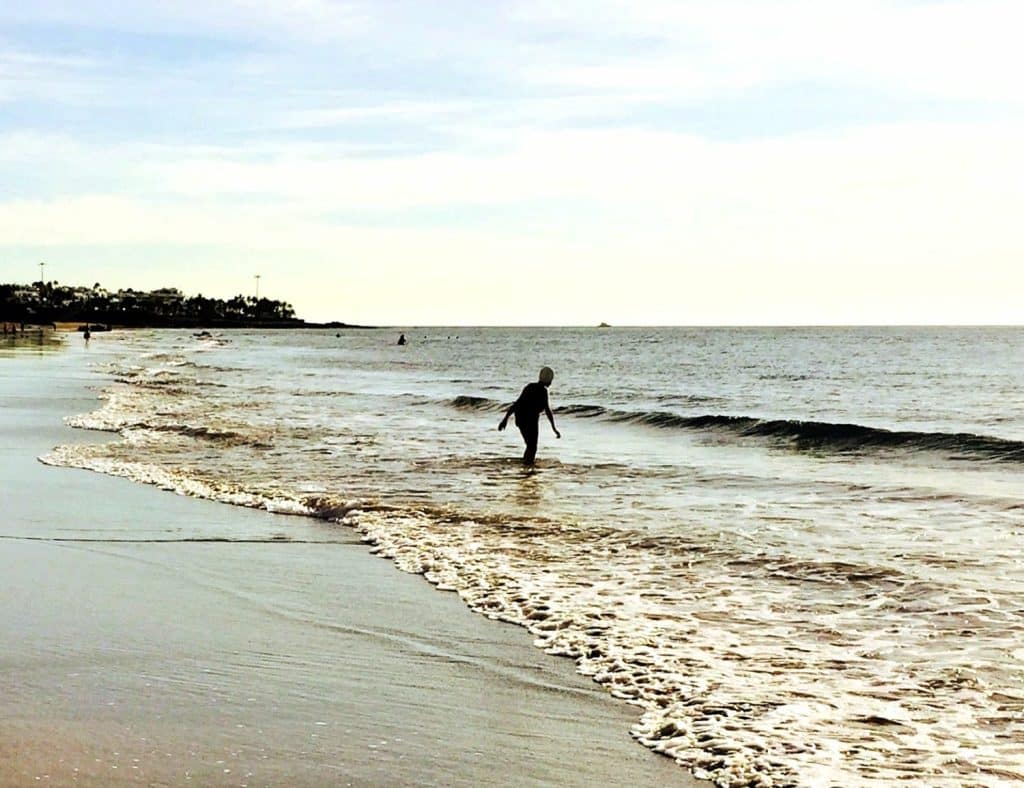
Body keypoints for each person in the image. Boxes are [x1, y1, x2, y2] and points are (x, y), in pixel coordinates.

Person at [498, 366, 561, 464]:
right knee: (532, 447)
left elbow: (516, 404)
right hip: (531, 420)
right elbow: (547, 410)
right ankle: (527, 467)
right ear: (548, 380)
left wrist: (505, 419)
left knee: (530, 446)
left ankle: (526, 464)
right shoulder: (543, 392)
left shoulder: (529, 387)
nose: (551, 383)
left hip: (520, 418)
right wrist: (554, 428)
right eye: (551, 380)